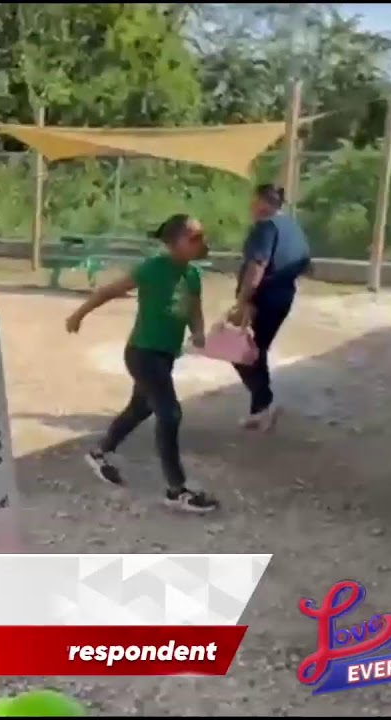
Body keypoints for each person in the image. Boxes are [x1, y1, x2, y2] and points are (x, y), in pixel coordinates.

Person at [65, 214, 219, 514]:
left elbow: (193, 309)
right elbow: (109, 291)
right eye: (195, 238)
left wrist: (198, 330)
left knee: (140, 409)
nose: (203, 243)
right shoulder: (152, 268)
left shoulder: (193, 275)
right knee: (170, 413)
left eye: (202, 236)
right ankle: (177, 490)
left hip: (164, 354)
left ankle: (100, 453)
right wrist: (78, 314)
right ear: (174, 242)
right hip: (142, 353)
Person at [229, 184, 312, 431]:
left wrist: (242, 302)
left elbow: (257, 266)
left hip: (263, 298)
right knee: (256, 350)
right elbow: (307, 263)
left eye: (253, 201)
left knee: (241, 351)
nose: (251, 206)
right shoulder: (291, 225)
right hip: (283, 296)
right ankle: (260, 410)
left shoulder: (265, 227)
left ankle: (265, 403)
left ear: (263, 202)